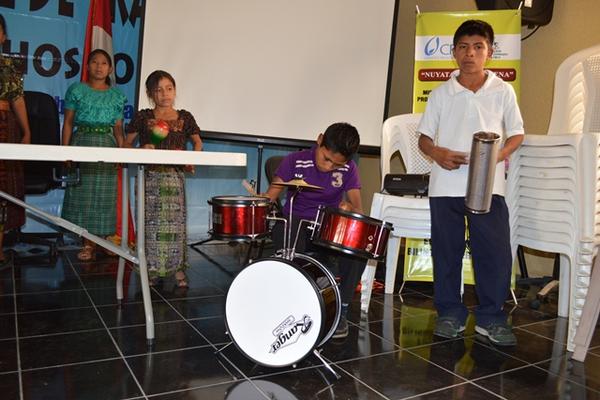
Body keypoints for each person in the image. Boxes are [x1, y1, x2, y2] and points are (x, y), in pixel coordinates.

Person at [417, 19, 524, 346]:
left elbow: (517, 133)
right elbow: (423, 139)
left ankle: (491, 317)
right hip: (445, 184)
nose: (470, 53)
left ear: (489, 53)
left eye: (478, 47)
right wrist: (438, 153)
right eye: (463, 47)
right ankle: (449, 312)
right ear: (453, 53)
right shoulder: (441, 93)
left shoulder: (503, 91)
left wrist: (496, 155)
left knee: (492, 251)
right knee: (446, 251)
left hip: (488, 187)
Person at [264, 122, 364, 339]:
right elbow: (271, 195)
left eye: (336, 165)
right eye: (326, 159)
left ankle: (341, 309)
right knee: (284, 233)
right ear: (319, 140)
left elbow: (358, 208)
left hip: (328, 227)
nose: (329, 167)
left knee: (357, 248)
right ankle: (292, 303)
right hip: (297, 223)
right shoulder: (294, 160)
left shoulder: (349, 169)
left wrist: (348, 208)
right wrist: (258, 202)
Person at [124, 70, 202, 288]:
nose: (165, 94)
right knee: (150, 225)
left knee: (176, 226)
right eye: (158, 90)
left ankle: (177, 270)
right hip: (149, 178)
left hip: (174, 178)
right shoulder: (143, 117)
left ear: (175, 91)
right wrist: (142, 147)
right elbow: (126, 145)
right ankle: (151, 271)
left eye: (169, 88)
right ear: (150, 94)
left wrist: (192, 159)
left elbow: (197, 143)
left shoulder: (184, 117)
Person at [61, 49, 126, 261]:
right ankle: (87, 243)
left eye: (104, 63)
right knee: (83, 196)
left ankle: (104, 241)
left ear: (110, 69)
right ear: (87, 66)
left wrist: (121, 152)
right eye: (95, 62)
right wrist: (66, 151)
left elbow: (118, 128)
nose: (99, 66)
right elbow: (69, 123)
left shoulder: (117, 96)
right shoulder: (77, 90)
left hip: (107, 145)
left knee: (104, 196)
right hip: (82, 143)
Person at [0, 14, 31, 266]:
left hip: (3, 126)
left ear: (3, 37)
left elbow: (17, 100)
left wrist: (26, 132)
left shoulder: (9, 66)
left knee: (3, 188)